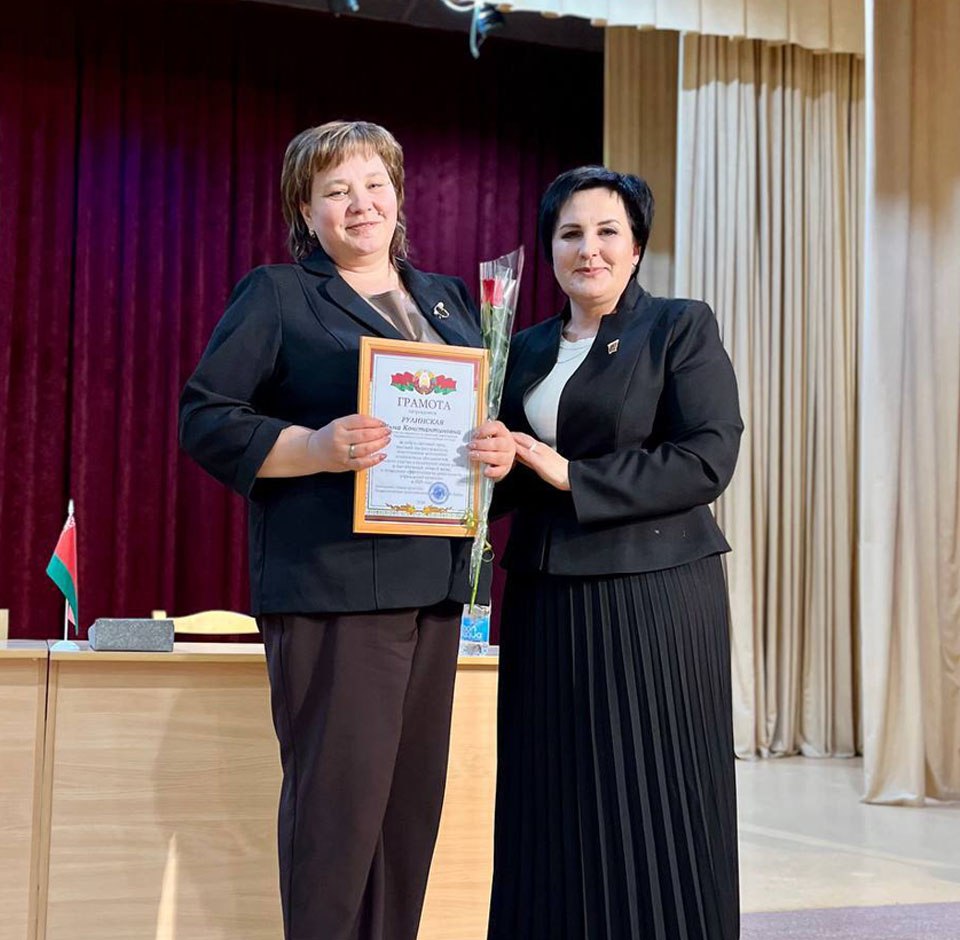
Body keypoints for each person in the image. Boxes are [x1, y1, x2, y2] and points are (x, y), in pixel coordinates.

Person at [179, 120, 514, 940]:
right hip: (333, 589)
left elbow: (468, 423)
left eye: (374, 184)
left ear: (398, 195)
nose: (360, 203)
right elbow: (207, 419)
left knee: (406, 822)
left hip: (436, 593)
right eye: (336, 190)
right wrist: (316, 447)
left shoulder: (448, 300)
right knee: (338, 819)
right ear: (307, 210)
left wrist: (495, 451)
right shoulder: (279, 294)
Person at [487, 166, 743, 940]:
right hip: (544, 596)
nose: (588, 249)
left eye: (607, 232)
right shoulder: (520, 346)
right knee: (548, 797)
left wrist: (572, 474)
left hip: (654, 596)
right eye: (570, 233)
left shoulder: (678, 326)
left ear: (636, 247)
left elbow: (707, 458)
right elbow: (513, 475)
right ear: (549, 248)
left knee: (651, 791)